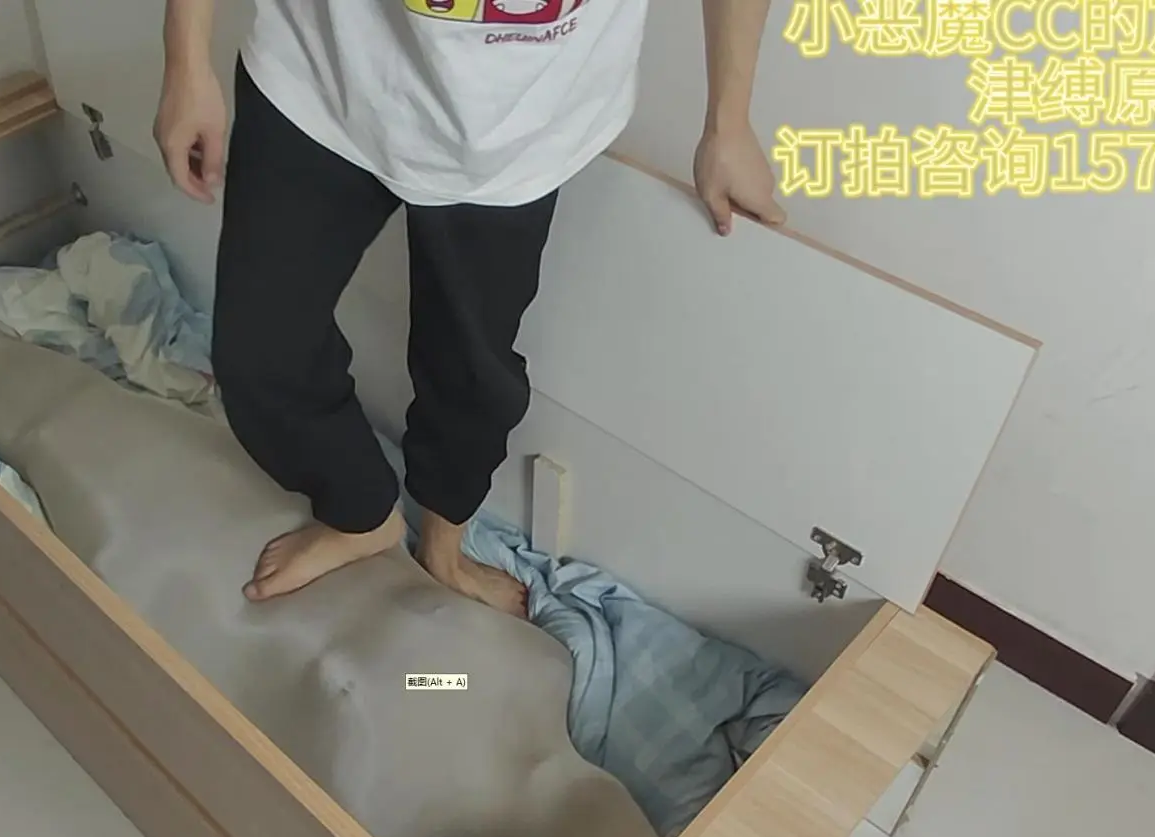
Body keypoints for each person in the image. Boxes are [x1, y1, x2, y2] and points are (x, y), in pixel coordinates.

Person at [154, 0, 782, 617]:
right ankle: (358, 515)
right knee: (260, 353)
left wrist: (728, 122)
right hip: (321, 76)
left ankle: (444, 546)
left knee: (473, 374)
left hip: (524, 120)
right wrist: (185, 59)